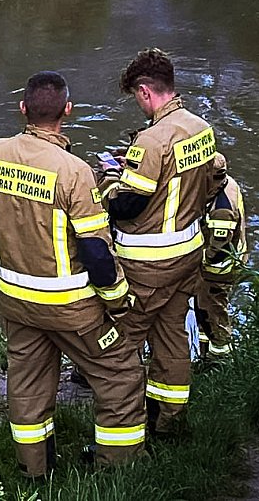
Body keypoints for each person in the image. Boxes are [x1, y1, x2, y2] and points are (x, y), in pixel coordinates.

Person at [0, 71, 146, 477]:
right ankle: (117, 469)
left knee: (27, 384)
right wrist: (119, 302)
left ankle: (34, 470)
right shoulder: (74, 171)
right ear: (67, 111)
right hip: (72, 307)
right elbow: (97, 254)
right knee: (120, 373)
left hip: (17, 301)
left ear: (23, 109)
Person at [98, 48, 217, 437]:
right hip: (188, 253)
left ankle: (122, 434)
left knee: (119, 343)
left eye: (136, 95)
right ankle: (168, 423)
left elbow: (128, 205)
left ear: (146, 91)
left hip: (149, 263)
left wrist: (109, 181)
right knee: (171, 339)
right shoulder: (201, 129)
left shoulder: (151, 140)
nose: (138, 103)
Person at [194, 152, 247, 359]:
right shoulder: (229, 184)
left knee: (214, 311)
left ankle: (219, 359)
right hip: (228, 261)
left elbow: (217, 252)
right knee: (205, 310)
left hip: (218, 271)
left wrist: (198, 262)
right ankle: (204, 349)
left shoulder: (221, 211)